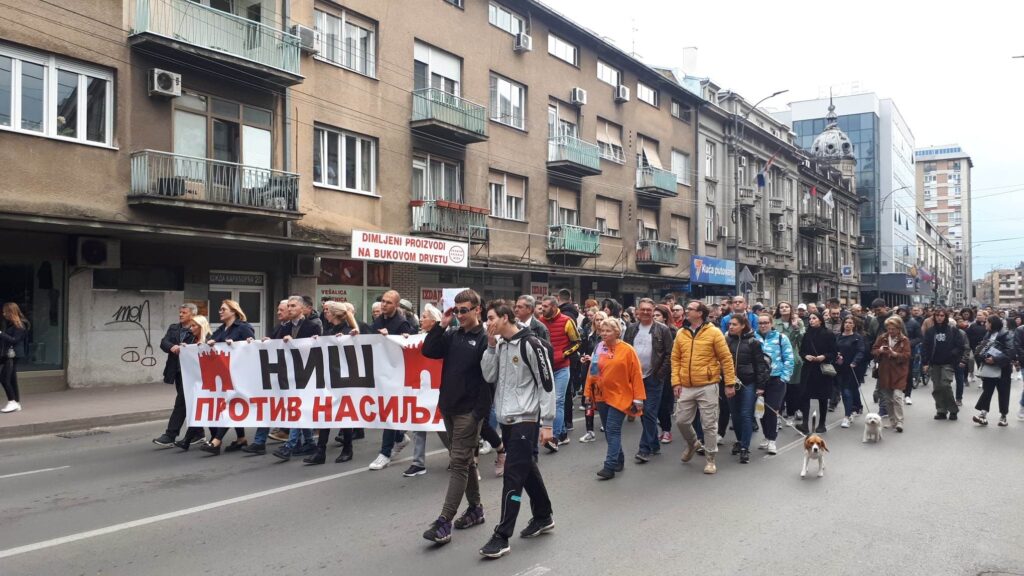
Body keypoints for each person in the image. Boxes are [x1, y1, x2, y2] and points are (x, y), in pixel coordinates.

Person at [478, 300, 555, 559]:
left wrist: (547, 423)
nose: (487, 323)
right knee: (527, 468)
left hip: (527, 419)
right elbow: (488, 377)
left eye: (490, 318)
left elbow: (547, 383)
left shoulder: (531, 344)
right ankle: (543, 516)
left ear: (505, 317)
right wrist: (490, 347)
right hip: (506, 419)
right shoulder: (499, 345)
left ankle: (502, 535)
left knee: (513, 474)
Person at [421, 290, 492, 544]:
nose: (460, 315)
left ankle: (444, 522)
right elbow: (429, 351)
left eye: (464, 310)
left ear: (477, 310)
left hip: (468, 412)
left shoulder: (485, 338)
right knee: (465, 461)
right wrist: (442, 324)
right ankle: (475, 509)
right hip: (449, 408)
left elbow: (488, 382)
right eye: (456, 310)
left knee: (459, 463)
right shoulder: (452, 335)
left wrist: (478, 415)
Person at [671, 300, 736, 475]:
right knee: (681, 421)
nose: (686, 311)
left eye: (690, 309)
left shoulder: (714, 332)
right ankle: (693, 443)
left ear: (700, 313)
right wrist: (676, 382)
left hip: (708, 385)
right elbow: (675, 359)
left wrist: (729, 383)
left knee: (709, 424)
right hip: (686, 385)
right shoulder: (681, 333)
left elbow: (726, 358)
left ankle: (710, 459)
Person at [584, 318, 645, 479]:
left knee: (612, 429)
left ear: (617, 332)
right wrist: (588, 393)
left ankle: (609, 466)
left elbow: (636, 375)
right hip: (602, 395)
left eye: (608, 331)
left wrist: (638, 399)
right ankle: (619, 459)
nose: (604, 333)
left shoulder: (627, 350)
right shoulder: (599, 347)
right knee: (609, 431)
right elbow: (593, 371)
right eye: (602, 330)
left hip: (621, 396)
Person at [305, 301, 363, 465]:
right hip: (330, 378)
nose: (325, 314)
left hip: (344, 379)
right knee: (326, 413)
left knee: (343, 415)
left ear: (335, 314)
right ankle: (320, 451)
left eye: (327, 311)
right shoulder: (330, 331)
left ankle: (347, 449)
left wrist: (348, 339)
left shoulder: (349, 331)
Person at [201, 300, 255, 454]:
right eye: (220, 309)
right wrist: (210, 342)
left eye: (223, 309)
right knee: (233, 403)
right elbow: (211, 341)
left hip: (240, 375)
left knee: (231, 405)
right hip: (226, 374)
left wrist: (238, 344)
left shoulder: (244, 327)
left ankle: (216, 441)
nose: (220, 311)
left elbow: (251, 348)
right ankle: (241, 438)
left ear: (233, 311)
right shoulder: (222, 329)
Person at [368, 290, 415, 470]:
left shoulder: (402, 324)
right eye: (383, 301)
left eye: (388, 302)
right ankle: (399, 437)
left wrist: (394, 339)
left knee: (389, 412)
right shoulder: (378, 321)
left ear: (396, 305)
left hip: (397, 376)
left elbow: (407, 348)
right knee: (386, 411)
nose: (383, 304)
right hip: (381, 373)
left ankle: (384, 453)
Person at [623, 298, 673, 462]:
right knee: (642, 414)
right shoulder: (631, 329)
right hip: (635, 378)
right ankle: (654, 444)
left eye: (648, 310)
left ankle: (644, 449)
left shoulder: (663, 330)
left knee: (650, 413)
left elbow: (669, 354)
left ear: (653, 311)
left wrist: (659, 374)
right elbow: (625, 351)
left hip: (653, 377)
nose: (645, 312)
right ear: (637, 311)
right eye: (642, 309)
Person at [153, 304, 202, 447]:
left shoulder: (198, 329)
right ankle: (198, 434)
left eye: (184, 312)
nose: (180, 315)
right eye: (180, 312)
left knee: (181, 402)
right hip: (178, 371)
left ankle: (170, 434)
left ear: (192, 315)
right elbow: (164, 343)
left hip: (193, 374)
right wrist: (172, 347)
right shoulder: (174, 328)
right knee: (189, 402)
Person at [724, 314, 768, 464]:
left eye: (734, 324)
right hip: (731, 383)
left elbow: (760, 365)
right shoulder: (726, 341)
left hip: (748, 383)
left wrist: (761, 386)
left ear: (743, 325)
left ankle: (744, 447)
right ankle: (739, 440)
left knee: (746, 414)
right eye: (729, 324)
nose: (730, 327)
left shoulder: (753, 342)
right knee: (735, 415)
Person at [539, 295, 581, 452]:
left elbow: (577, 342)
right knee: (549, 402)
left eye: (545, 306)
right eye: (542, 306)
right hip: (545, 368)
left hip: (562, 367)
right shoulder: (540, 322)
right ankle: (563, 433)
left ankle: (554, 437)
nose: (542, 309)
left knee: (558, 401)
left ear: (554, 307)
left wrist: (564, 354)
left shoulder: (566, 321)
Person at [168, 315, 213, 450]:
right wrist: (186, 348)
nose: (191, 328)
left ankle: (214, 438)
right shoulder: (192, 338)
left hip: (207, 381)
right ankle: (194, 438)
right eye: (191, 326)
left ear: (201, 326)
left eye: (194, 326)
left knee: (206, 410)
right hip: (195, 381)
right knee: (198, 409)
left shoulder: (210, 339)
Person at [755, 312, 793, 455]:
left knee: (772, 410)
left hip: (776, 379)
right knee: (761, 410)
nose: (763, 325)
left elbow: (789, 359)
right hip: (759, 381)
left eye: (766, 322)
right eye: (760, 323)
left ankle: (772, 440)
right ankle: (766, 435)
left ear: (771, 324)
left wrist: (784, 377)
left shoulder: (781, 338)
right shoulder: (754, 338)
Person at [922, 308, 966, 421]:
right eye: (937, 315)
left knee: (945, 385)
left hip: (948, 363)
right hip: (934, 363)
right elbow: (925, 348)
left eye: (942, 315)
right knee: (937, 388)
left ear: (945, 317)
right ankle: (941, 410)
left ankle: (953, 410)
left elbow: (960, 346)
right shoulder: (930, 331)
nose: (939, 317)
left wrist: (952, 354)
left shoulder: (952, 330)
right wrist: (925, 362)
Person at [797, 311, 838, 435]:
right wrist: (806, 356)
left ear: (820, 320)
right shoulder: (807, 334)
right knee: (805, 396)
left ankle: (822, 423)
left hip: (822, 369)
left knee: (822, 397)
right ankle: (805, 423)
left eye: (814, 318)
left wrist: (823, 356)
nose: (811, 320)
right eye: (810, 318)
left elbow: (834, 352)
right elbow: (802, 351)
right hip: (808, 369)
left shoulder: (828, 334)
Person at [972, 315, 1016, 427]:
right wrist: (982, 356)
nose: (985, 324)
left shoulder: (1006, 334)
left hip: (1003, 369)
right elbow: (984, 347)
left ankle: (1003, 416)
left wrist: (995, 359)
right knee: (987, 390)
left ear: (993, 323)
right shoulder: (988, 334)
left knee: (1003, 392)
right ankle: (983, 415)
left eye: (987, 322)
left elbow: (1010, 352)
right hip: (989, 367)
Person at [872, 316, 911, 433]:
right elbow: (873, 350)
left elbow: (907, 355)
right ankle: (892, 420)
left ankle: (900, 422)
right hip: (885, 371)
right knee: (888, 399)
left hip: (899, 372)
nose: (890, 331)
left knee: (897, 397)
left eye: (893, 329)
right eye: (888, 329)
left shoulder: (904, 340)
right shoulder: (882, 338)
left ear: (899, 328)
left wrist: (894, 354)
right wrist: (879, 351)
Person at [578, 311, 609, 443]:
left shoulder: (609, 337)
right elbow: (583, 348)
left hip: (605, 374)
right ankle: (590, 431)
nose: (599, 322)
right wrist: (583, 357)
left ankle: (607, 424)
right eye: (597, 319)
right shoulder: (589, 335)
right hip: (590, 371)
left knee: (605, 401)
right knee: (588, 400)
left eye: (602, 319)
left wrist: (595, 359)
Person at [773, 301, 805, 419]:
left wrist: (796, 328)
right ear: (778, 310)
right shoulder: (774, 322)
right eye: (781, 307)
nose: (784, 309)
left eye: (786, 307)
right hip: (777, 357)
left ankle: (795, 410)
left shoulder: (798, 322)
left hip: (793, 357)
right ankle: (779, 414)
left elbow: (803, 339)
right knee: (779, 386)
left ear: (791, 309)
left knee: (794, 387)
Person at [835, 316, 866, 428]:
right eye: (846, 322)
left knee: (848, 391)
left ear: (854, 325)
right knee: (847, 390)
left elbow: (861, 351)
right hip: (840, 368)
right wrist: (836, 356)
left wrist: (855, 361)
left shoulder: (857, 337)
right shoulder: (838, 337)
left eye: (850, 323)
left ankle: (847, 416)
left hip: (853, 368)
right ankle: (856, 407)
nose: (847, 324)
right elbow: (834, 349)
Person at [1, 302, 29, 413]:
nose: (3, 313)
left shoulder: (20, 325)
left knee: (4, 379)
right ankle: (16, 403)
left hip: (12, 355)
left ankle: (11, 401)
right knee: (12, 379)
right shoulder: (13, 324)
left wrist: (1, 333)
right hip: (11, 354)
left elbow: (15, 340)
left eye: (5, 311)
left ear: (10, 312)